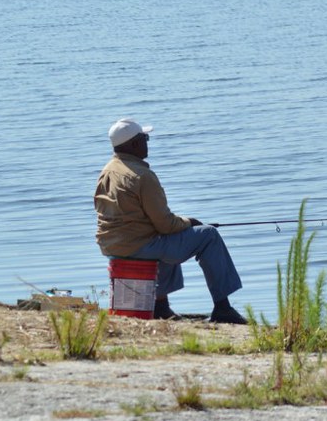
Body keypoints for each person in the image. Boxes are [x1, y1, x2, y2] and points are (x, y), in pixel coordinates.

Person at [94, 118, 246, 324]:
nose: (148, 142)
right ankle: (223, 307)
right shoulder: (142, 176)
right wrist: (190, 222)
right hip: (138, 246)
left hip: (112, 245)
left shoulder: (107, 171)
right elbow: (165, 224)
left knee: (168, 238)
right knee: (208, 235)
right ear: (134, 144)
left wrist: (179, 224)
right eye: (145, 138)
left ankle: (161, 307)